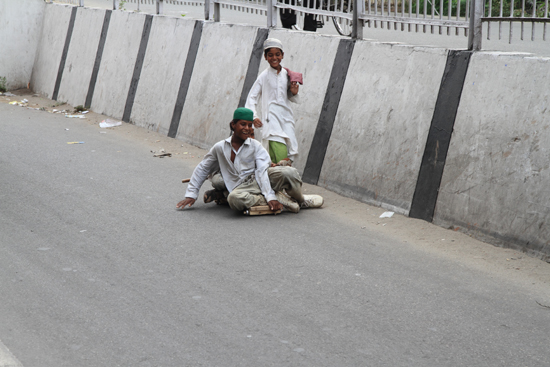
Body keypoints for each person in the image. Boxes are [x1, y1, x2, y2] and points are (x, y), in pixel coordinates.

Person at [176, 107, 323, 214]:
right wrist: (191, 194)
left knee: (290, 172)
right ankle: (281, 199)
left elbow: (261, 172)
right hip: (242, 188)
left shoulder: (256, 146)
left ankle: (300, 200)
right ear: (233, 125)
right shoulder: (220, 147)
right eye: (243, 124)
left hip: (261, 179)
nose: (247, 128)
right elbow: (203, 168)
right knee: (234, 199)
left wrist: (269, 194)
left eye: (249, 125)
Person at [245, 38, 301, 167]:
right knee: (278, 146)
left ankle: (278, 181)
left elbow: (290, 96)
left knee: (291, 149)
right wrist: (254, 116)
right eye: (270, 55)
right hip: (271, 120)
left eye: (277, 54)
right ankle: (278, 180)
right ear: (265, 57)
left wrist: (294, 92)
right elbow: (252, 97)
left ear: (282, 55)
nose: (274, 58)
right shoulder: (264, 76)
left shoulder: (288, 75)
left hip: (286, 118)